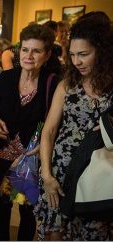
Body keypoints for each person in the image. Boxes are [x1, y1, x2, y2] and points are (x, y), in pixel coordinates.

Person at [34, 12, 113, 241]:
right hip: (59, 175)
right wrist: (47, 175)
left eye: (84, 54)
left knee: (92, 232)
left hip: (97, 178)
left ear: (102, 52)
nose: (76, 61)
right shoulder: (67, 84)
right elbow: (48, 132)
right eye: (72, 55)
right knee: (54, 233)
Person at [0, 24, 59, 241]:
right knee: (1, 204)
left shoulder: (52, 83)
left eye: (36, 51)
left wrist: (43, 145)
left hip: (30, 156)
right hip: (1, 153)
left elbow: (55, 123)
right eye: (25, 49)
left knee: (27, 210)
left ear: (47, 55)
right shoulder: (7, 77)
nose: (28, 56)